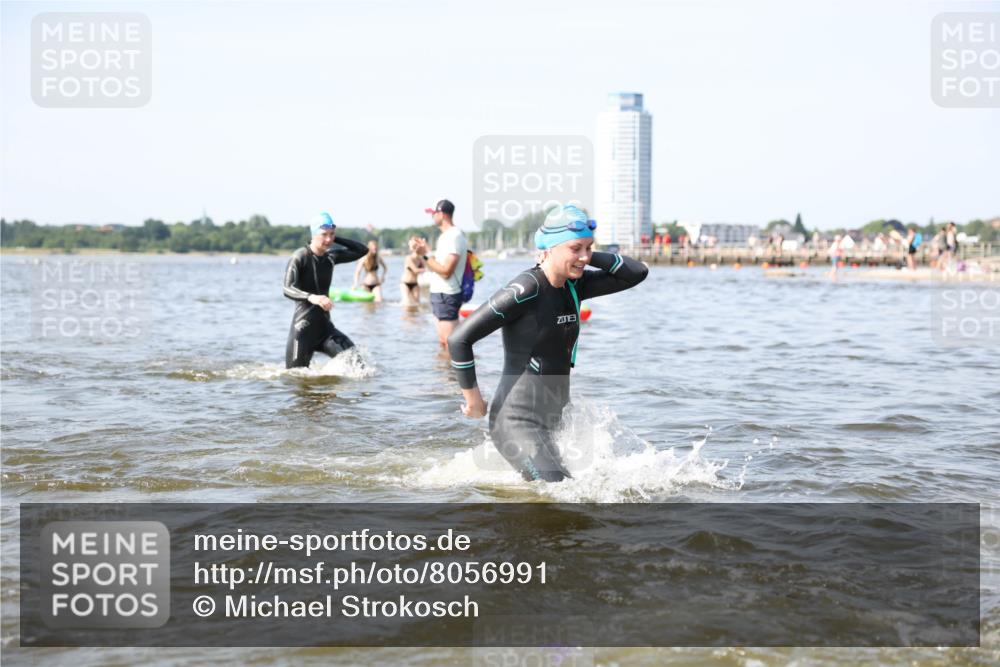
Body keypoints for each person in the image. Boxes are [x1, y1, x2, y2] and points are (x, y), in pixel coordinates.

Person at [447, 205, 648, 482]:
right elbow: (459, 338)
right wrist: (474, 402)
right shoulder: (526, 289)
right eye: (575, 248)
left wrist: (583, 253)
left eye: (589, 248)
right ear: (549, 248)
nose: (584, 256)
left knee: (576, 491)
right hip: (516, 421)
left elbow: (637, 272)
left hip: (554, 417)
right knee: (560, 492)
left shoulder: (575, 285)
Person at [282, 212, 368, 368]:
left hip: (326, 330)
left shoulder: (331, 257)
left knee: (359, 366)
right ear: (313, 234)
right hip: (303, 331)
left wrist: (335, 237)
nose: (328, 239)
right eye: (324, 235)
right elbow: (287, 288)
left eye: (332, 234)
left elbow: (362, 250)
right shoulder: (300, 257)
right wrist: (312, 297)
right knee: (295, 377)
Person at [411, 199, 467, 349]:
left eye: (433, 213)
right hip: (440, 294)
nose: (432, 216)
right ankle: (444, 366)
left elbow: (446, 271)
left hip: (447, 294)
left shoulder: (454, 236)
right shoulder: (446, 236)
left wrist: (424, 255)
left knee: (451, 345)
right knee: (443, 342)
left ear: (442, 214)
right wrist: (426, 251)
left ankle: (451, 366)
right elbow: (437, 265)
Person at [400, 237, 426, 305]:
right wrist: (426, 270)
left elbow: (426, 265)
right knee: (407, 304)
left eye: (417, 246)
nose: (417, 248)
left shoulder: (420, 259)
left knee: (416, 304)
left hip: (415, 284)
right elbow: (415, 270)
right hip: (405, 283)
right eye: (415, 247)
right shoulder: (408, 258)